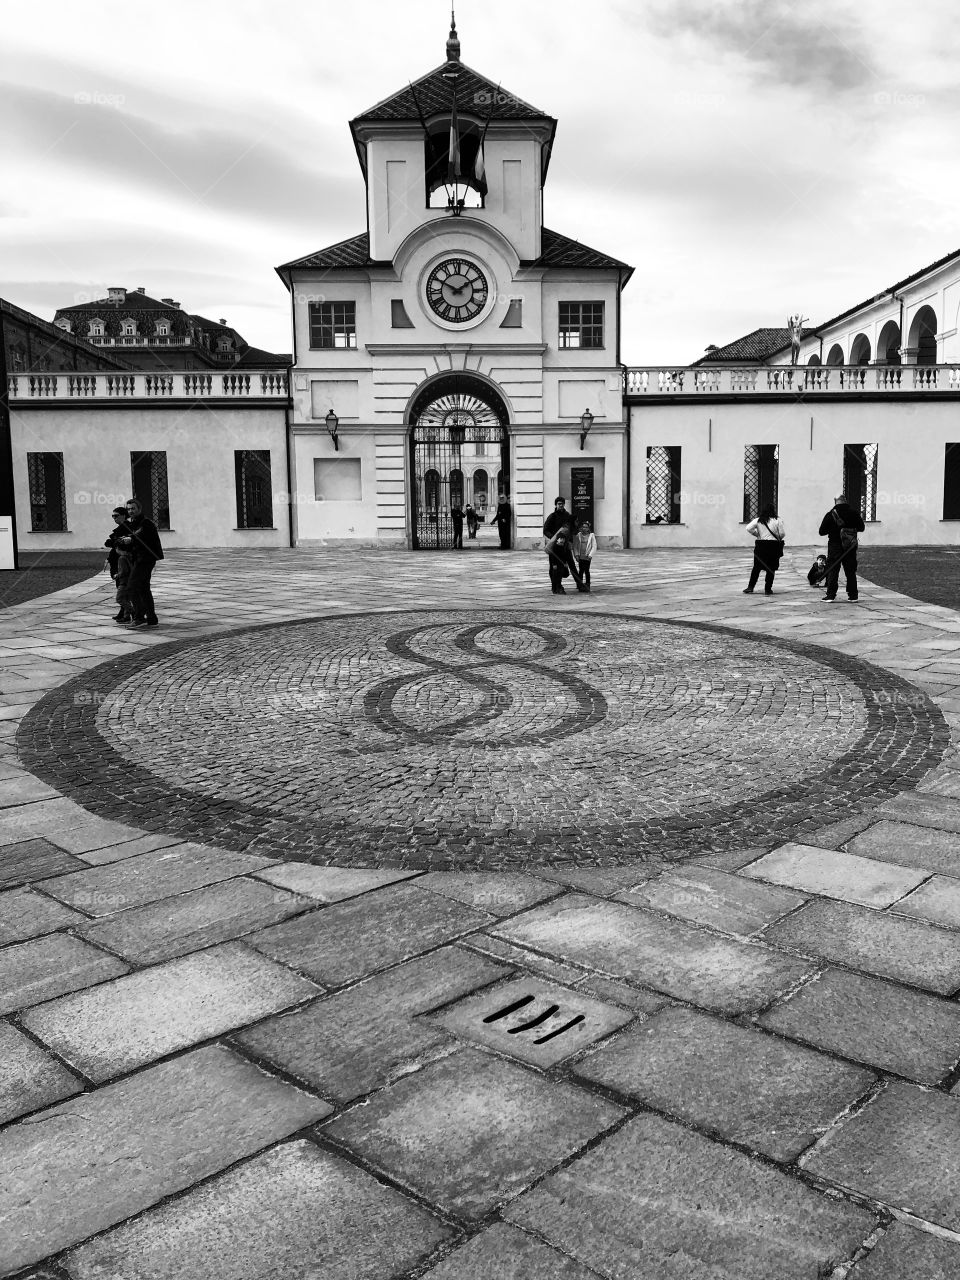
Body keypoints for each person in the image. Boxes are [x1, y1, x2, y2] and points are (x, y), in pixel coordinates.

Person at [122, 498, 164, 627]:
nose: (130, 511)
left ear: (139, 509)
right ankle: (152, 618)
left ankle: (139, 617)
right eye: (128, 509)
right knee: (144, 588)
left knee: (132, 587)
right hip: (138, 558)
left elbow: (138, 535)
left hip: (146, 559)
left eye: (133, 508)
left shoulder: (146, 523)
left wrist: (130, 539)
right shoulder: (133, 523)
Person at [818, 492, 865, 602]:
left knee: (833, 569)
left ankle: (831, 595)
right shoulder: (854, 513)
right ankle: (853, 596)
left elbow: (821, 531)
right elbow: (861, 527)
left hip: (835, 545)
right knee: (850, 571)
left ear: (835, 501)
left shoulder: (830, 514)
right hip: (849, 546)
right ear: (845, 501)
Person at [743, 503, 785, 595]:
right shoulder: (778, 520)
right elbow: (782, 534)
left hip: (761, 545)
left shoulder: (758, 520)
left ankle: (750, 587)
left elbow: (748, 528)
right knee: (771, 568)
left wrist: (757, 534)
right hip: (773, 546)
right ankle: (767, 589)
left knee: (756, 567)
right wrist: (776, 537)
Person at [104, 505, 134, 623]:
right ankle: (124, 613)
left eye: (116, 516)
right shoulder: (122, 527)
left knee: (122, 589)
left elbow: (121, 543)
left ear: (123, 516)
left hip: (121, 562)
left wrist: (112, 542)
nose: (114, 518)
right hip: (117, 560)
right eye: (113, 516)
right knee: (121, 588)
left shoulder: (126, 527)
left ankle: (129, 612)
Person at [544, 526, 584, 594]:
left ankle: (579, 584)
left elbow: (564, 556)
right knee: (555, 576)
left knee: (560, 575)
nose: (562, 540)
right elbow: (553, 557)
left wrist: (565, 563)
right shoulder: (555, 546)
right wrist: (554, 564)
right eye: (560, 539)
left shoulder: (564, 546)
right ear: (557, 539)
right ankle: (555, 588)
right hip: (556, 564)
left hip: (561, 564)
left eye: (563, 539)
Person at [573, 520, 597, 592]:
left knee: (587, 570)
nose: (584, 528)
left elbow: (594, 546)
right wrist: (576, 555)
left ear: (588, 528)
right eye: (583, 527)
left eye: (586, 527)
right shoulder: (578, 535)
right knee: (580, 570)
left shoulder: (591, 536)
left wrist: (590, 555)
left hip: (587, 556)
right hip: (580, 556)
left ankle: (587, 584)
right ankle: (579, 584)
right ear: (581, 528)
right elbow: (575, 546)